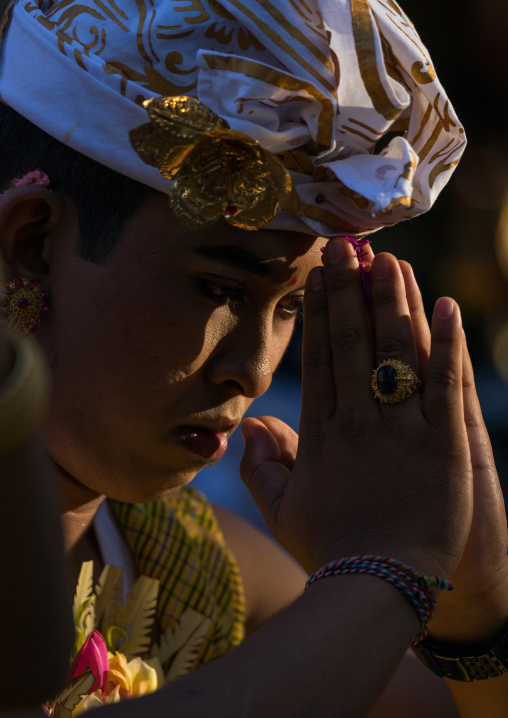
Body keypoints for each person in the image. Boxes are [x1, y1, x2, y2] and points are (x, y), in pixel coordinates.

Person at [0, 1, 506, 716]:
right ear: (30, 245)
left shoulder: (187, 568)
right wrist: (385, 570)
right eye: (221, 290)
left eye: (293, 306)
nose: (259, 371)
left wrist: (472, 607)